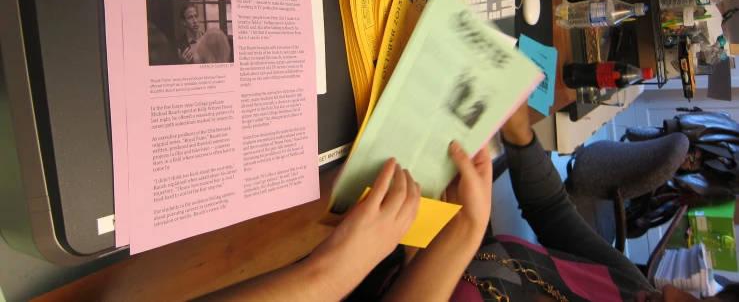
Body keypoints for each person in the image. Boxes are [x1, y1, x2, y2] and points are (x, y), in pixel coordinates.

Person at [200, 103, 739, 302]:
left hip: (349, 268)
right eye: (700, 298)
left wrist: (453, 237)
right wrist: (523, 137)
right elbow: (553, 214)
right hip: (402, 235)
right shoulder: (632, 289)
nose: (671, 292)